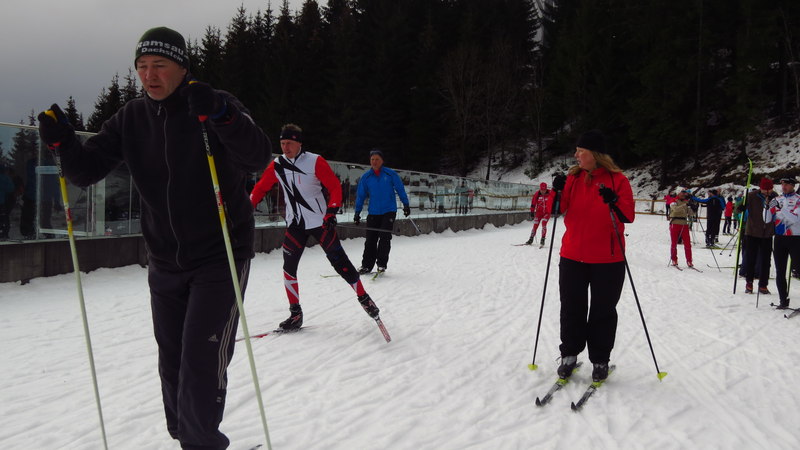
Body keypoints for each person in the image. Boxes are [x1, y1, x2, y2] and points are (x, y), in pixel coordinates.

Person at [37, 26, 271, 449]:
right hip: (164, 259)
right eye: (142, 66)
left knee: (201, 360)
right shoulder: (130, 118)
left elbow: (256, 155)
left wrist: (221, 113)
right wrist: (64, 144)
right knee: (173, 361)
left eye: (159, 65)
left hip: (220, 255)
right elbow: (85, 171)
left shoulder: (212, 103)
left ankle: (200, 443)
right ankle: (186, 435)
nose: (149, 75)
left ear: (182, 68)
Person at [250, 124, 381, 330]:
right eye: (282, 143)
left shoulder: (314, 161)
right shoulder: (277, 165)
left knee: (340, 262)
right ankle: (295, 314)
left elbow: (334, 186)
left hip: (320, 223)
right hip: (295, 225)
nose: (285, 148)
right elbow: (260, 188)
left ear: (299, 143)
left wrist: (332, 211)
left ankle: (364, 298)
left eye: (289, 143)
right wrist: (246, 207)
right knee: (288, 268)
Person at [550, 130, 635, 383]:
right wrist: (557, 191)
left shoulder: (618, 180)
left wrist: (614, 200)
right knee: (571, 307)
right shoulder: (573, 178)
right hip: (573, 255)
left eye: (581, 151)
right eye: (576, 151)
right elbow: (557, 209)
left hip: (608, 259)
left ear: (595, 154)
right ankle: (569, 354)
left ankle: (600, 359)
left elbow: (628, 215)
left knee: (603, 311)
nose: (576, 155)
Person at [353, 149, 410, 274]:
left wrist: (406, 204)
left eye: (377, 159)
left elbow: (400, 189)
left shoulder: (390, 174)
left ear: (382, 161)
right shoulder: (366, 177)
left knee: (384, 237)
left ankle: (381, 264)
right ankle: (366, 265)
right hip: (373, 212)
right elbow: (361, 195)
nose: (374, 162)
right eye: (372, 159)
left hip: (388, 210)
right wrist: (357, 212)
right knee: (370, 239)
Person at [767, 177, 800, 309]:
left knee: (798, 269)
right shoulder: (777, 199)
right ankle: (783, 300)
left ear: (792, 185)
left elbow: (795, 219)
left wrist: (781, 209)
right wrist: (767, 207)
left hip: (795, 237)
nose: (784, 186)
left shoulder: (798, 199)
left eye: (786, 184)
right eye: (782, 184)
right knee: (780, 270)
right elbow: (766, 219)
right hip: (780, 238)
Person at [741, 178, 776, 294]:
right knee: (751, 258)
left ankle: (763, 284)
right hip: (752, 231)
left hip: (767, 233)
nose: (767, 192)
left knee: (766, 260)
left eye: (769, 189)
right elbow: (739, 208)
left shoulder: (775, 197)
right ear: (761, 188)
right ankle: (749, 282)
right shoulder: (751, 196)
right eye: (765, 189)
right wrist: (741, 207)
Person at [669, 190, 695, 267]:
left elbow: (691, 213)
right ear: (678, 193)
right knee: (674, 242)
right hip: (675, 223)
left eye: (685, 193)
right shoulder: (673, 201)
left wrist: (694, 208)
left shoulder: (686, 202)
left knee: (687, 243)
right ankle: (674, 259)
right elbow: (675, 210)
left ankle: (689, 260)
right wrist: (685, 205)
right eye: (682, 193)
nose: (684, 194)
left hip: (684, 224)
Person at [0, 165, 14, 239]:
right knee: (4, 217)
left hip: (3, 201)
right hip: (3, 201)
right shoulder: (6, 178)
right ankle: (4, 233)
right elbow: (10, 189)